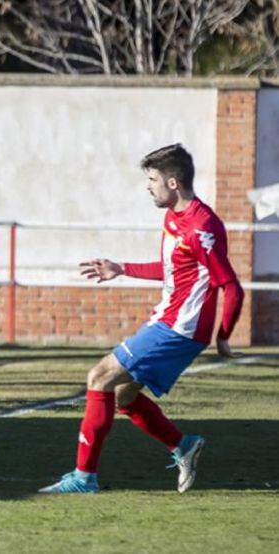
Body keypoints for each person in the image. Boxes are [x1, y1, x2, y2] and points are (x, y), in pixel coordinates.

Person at [40, 144, 244, 494]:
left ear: (174, 183)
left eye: (153, 179)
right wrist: (122, 269)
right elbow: (170, 270)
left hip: (179, 329)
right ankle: (184, 446)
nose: (148, 186)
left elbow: (232, 286)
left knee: (99, 376)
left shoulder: (201, 228)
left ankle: (84, 478)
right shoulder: (174, 217)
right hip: (168, 321)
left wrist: (223, 337)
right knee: (121, 395)